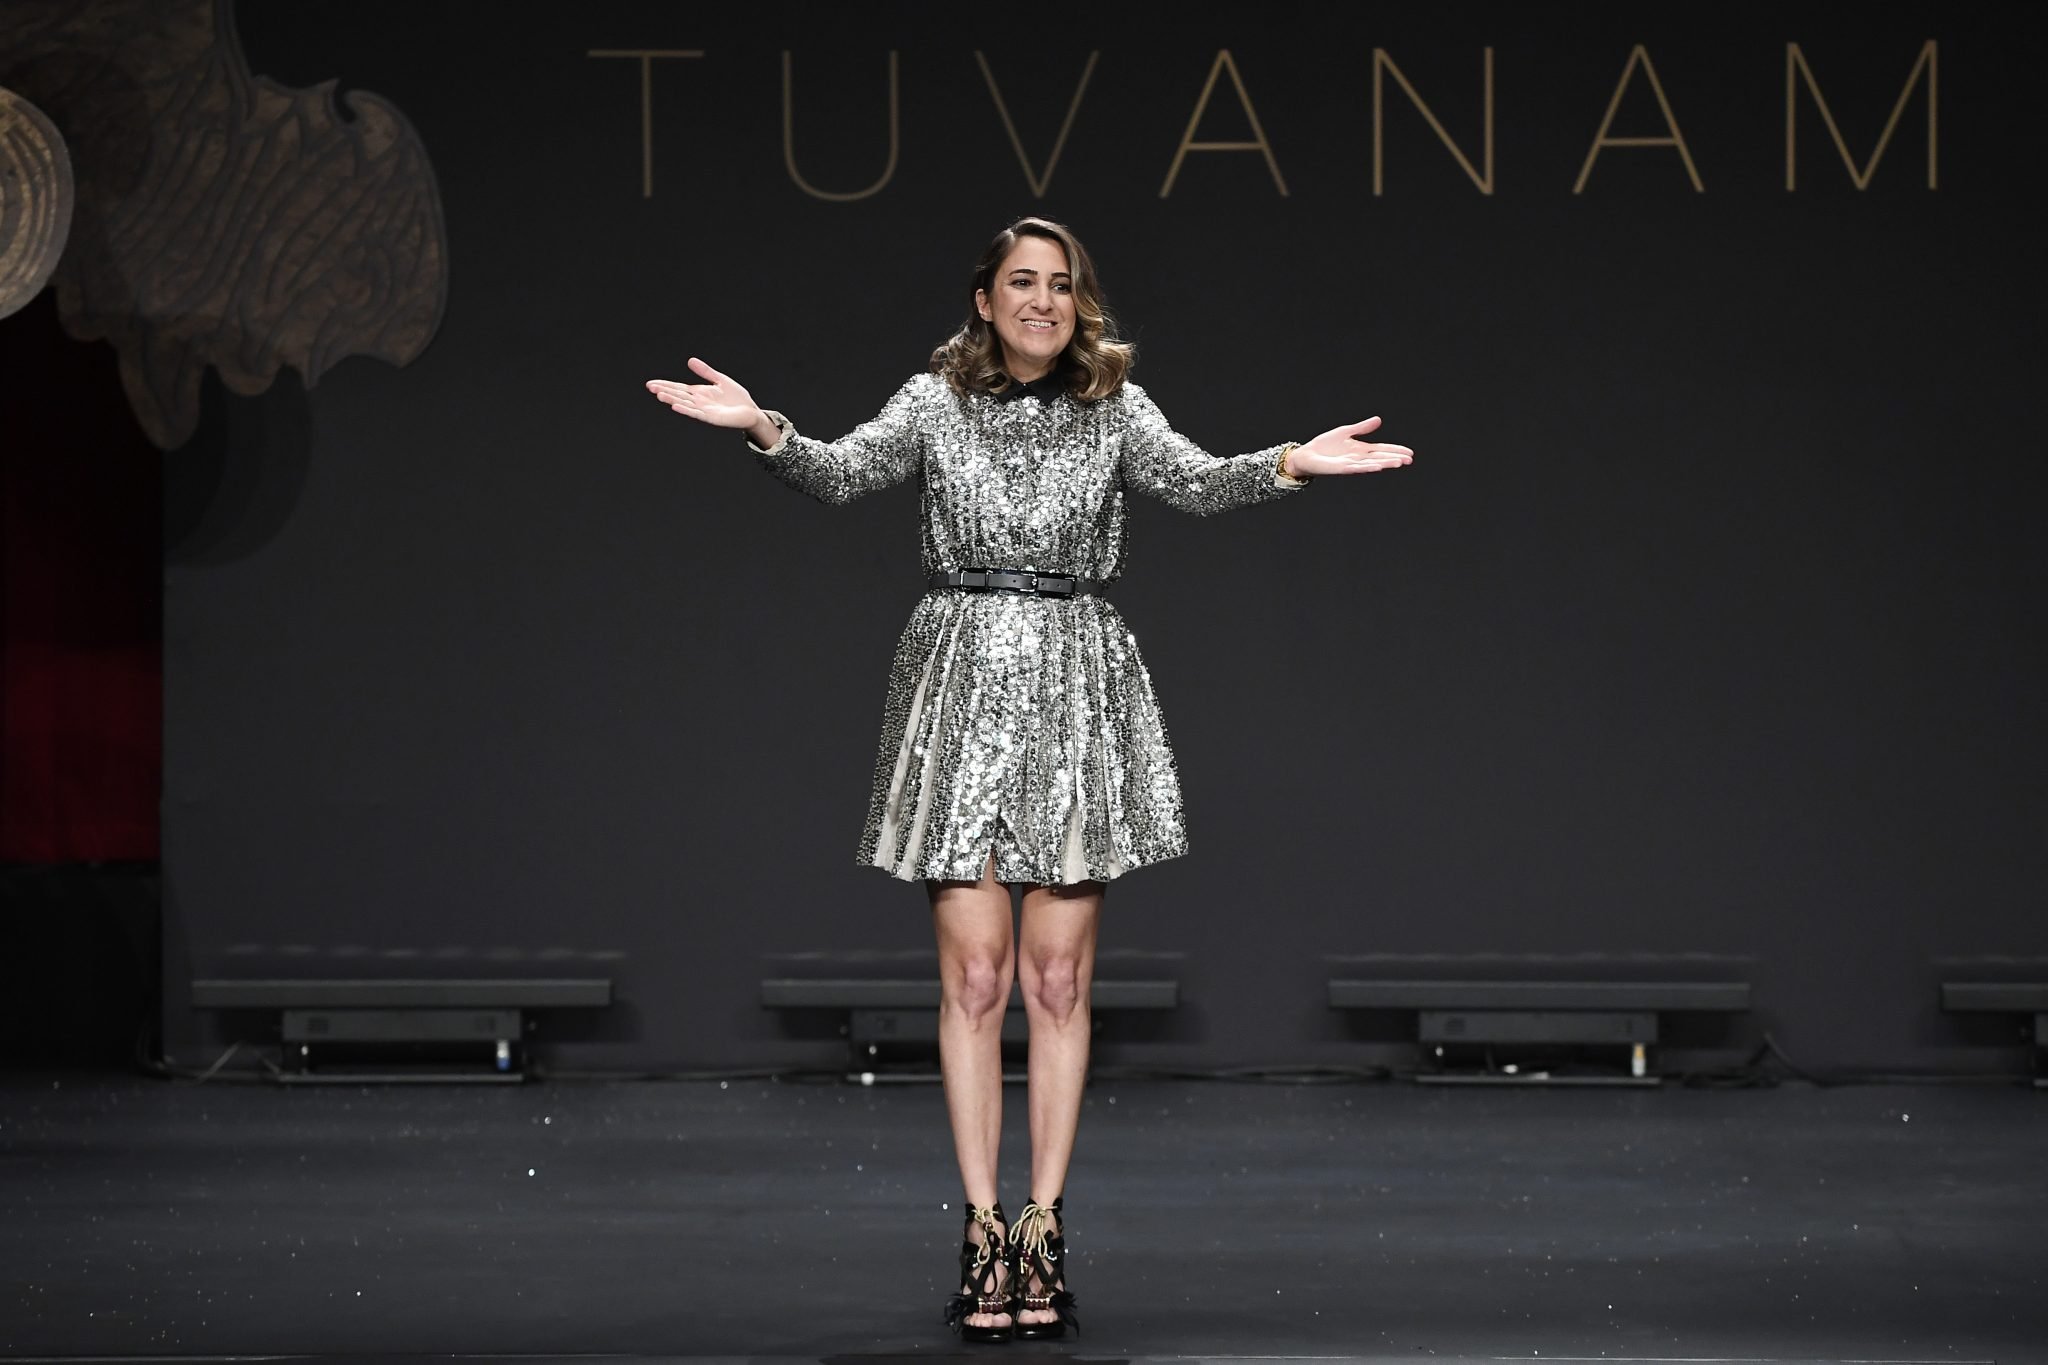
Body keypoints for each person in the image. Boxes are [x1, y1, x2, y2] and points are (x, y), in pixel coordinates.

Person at [644, 216, 1412, 1342]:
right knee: (975, 980)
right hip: (956, 678)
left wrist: (1294, 460)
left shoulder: (1112, 408)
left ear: (1076, 301)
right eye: (1021, 282)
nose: (1042, 301)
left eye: (1060, 284)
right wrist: (762, 426)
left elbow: (1194, 486)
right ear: (985, 299)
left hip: (1073, 682)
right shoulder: (933, 400)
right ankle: (978, 1226)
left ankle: (1042, 1227)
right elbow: (844, 470)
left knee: (1054, 982)